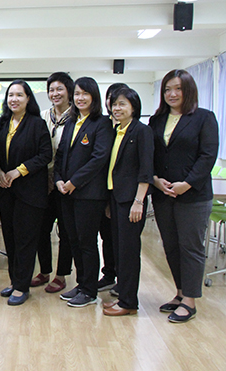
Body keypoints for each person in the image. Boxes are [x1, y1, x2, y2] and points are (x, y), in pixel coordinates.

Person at [149, 69, 219, 323]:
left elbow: (208, 156)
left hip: (193, 196)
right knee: (171, 246)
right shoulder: (157, 120)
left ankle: (190, 300)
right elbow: (151, 154)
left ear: (188, 90)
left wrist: (186, 184)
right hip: (163, 194)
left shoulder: (203, 118)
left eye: (178, 88)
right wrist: (155, 180)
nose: (172, 94)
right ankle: (179, 293)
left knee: (191, 247)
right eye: (167, 89)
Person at [54, 77, 114, 308]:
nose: (80, 98)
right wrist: (59, 180)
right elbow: (61, 154)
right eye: (77, 94)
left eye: (85, 94)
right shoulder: (71, 121)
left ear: (94, 96)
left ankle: (90, 290)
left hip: (89, 194)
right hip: (66, 192)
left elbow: (99, 158)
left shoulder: (102, 123)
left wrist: (74, 182)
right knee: (74, 241)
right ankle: (81, 284)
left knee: (87, 242)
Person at [0, 81, 52, 306]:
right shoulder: (1, 123)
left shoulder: (37, 124)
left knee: (25, 240)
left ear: (28, 99)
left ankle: (22, 286)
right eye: (10, 95)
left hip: (30, 192)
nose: (14, 99)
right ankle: (15, 280)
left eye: (19, 95)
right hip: (5, 190)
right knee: (10, 238)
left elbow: (45, 155)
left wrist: (18, 171)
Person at [101, 87, 153, 316]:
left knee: (129, 252)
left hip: (132, 200)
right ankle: (123, 294)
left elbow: (146, 169)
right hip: (116, 198)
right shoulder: (118, 131)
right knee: (119, 249)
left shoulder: (142, 131)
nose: (117, 108)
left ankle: (129, 303)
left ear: (134, 107)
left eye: (122, 104)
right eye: (114, 104)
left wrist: (138, 201)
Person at [33, 72, 75, 293]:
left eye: (60, 89)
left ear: (69, 91)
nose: (55, 93)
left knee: (66, 231)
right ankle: (44, 271)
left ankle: (61, 275)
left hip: (67, 183)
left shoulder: (77, 117)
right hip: (43, 182)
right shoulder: (42, 116)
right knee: (41, 228)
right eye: (51, 90)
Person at [96, 83, 129, 294]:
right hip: (102, 192)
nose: (114, 105)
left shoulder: (133, 129)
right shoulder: (104, 125)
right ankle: (109, 274)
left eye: (120, 102)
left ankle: (124, 282)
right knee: (107, 237)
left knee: (123, 241)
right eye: (111, 100)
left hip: (124, 194)